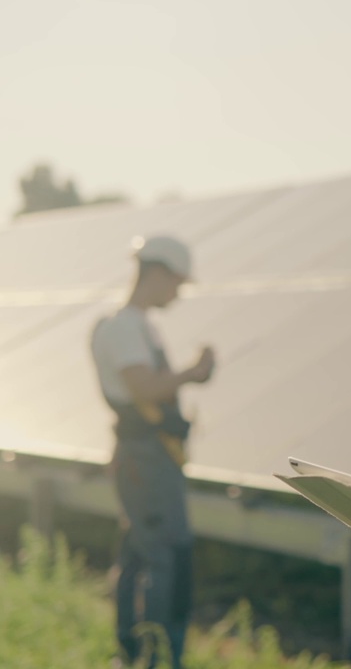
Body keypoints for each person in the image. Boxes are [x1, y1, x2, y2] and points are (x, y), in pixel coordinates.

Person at [90, 235, 215, 668]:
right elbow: (143, 387)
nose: (177, 292)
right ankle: (159, 657)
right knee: (167, 556)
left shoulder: (138, 325)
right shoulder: (124, 326)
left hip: (145, 457)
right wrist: (193, 373)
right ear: (157, 272)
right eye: (177, 283)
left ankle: (130, 653)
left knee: (139, 554)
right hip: (145, 460)